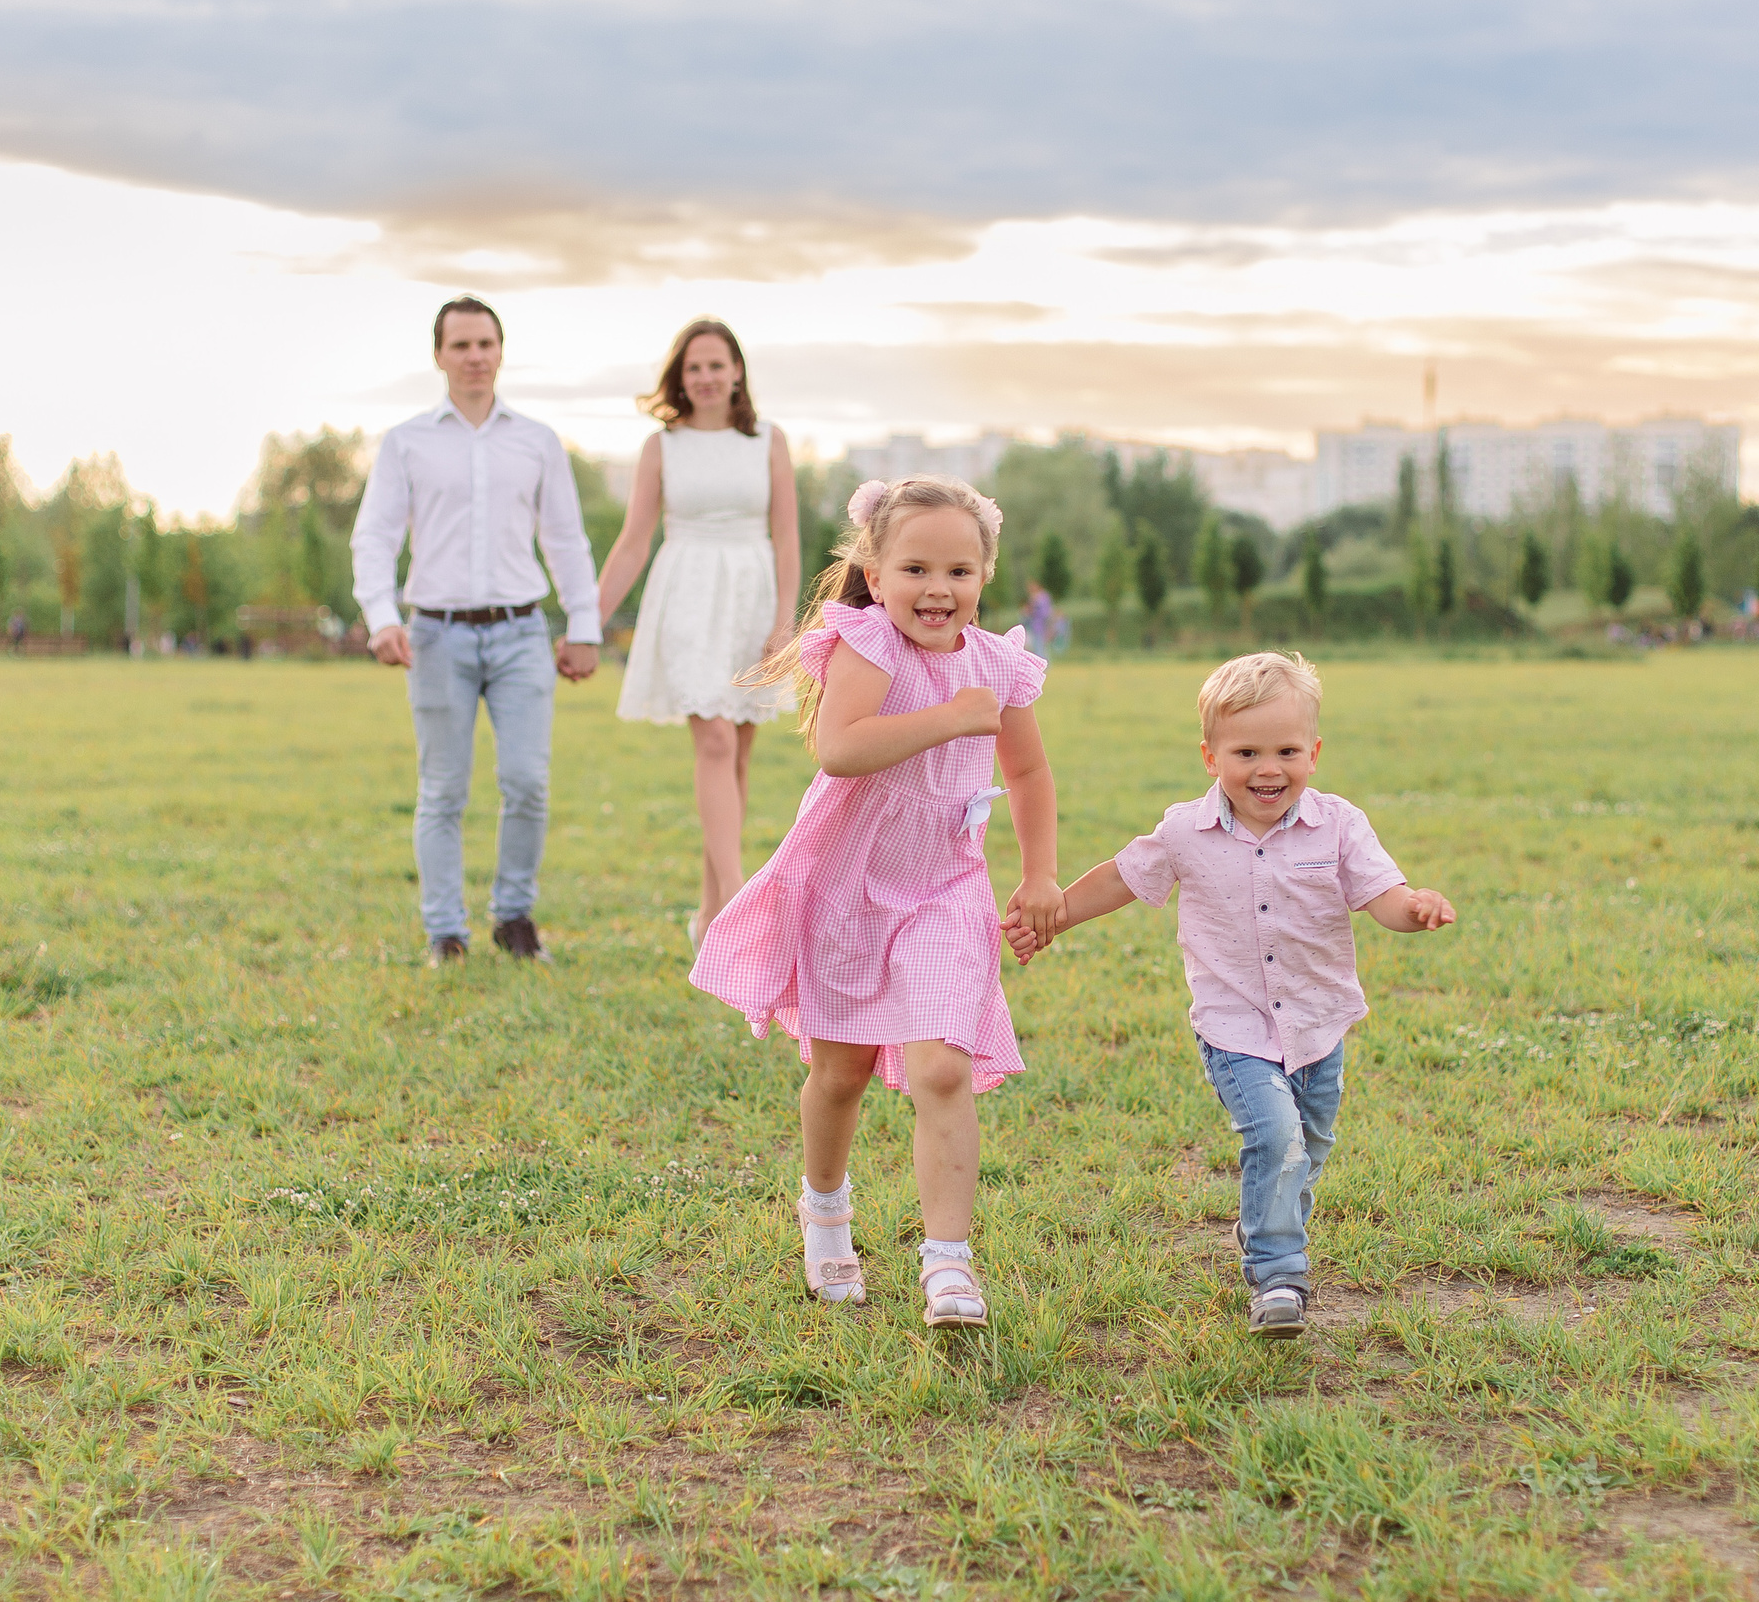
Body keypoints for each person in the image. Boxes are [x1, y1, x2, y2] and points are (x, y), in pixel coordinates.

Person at [689, 476, 1063, 1330]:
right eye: (916, 569)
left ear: (985, 574)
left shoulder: (996, 665)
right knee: (841, 1072)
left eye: (959, 571)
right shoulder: (870, 646)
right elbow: (840, 746)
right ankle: (826, 1212)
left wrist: (1040, 872)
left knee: (943, 1066)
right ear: (876, 571)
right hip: (847, 885)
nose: (938, 589)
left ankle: (949, 1261)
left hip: (944, 886)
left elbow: (1029, 771)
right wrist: (952, 718)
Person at [1005, 651, 1455, 1338]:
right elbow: (1122, 877)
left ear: (1314, 753)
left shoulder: (1339, 825)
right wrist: (1054, 915)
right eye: (1246, 752)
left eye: (1286, 751)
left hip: (1317, 1022)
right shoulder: (1186, 831)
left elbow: (1381, 895)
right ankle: (1279, 1276)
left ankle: (1266, 1224)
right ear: (1211, 756)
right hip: (1233, 1027)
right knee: (1275, 1136)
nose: (1268, 769)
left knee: (1309, 1144)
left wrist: (1414, 908)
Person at [351, 296, 602, 964]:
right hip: (436, 636)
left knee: (527, 781)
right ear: (439, 355)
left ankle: (514, 918)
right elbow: (374, 537)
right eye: (461, 345)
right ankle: (445, 933)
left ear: (500, 351)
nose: (474, 357)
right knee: (443, 789)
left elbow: (566, 539)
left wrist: (583, 624)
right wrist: (381, 617)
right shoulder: (406, 442)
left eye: (485, 344)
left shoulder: (536, 441)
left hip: (521, 632)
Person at [592, 319, 801, 949]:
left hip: (752, 594)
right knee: (713, 739)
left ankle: (709, 915)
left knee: (737, 753)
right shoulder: (662, 447)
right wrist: (587, 620)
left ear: (736, 371)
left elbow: (786, 538)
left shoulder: (769, 440)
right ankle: (737, 905)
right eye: (694, 367)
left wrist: (784, 623)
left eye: (716, 365)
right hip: (686, 593)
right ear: (679, 378)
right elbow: (634, 541)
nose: (706, 377)